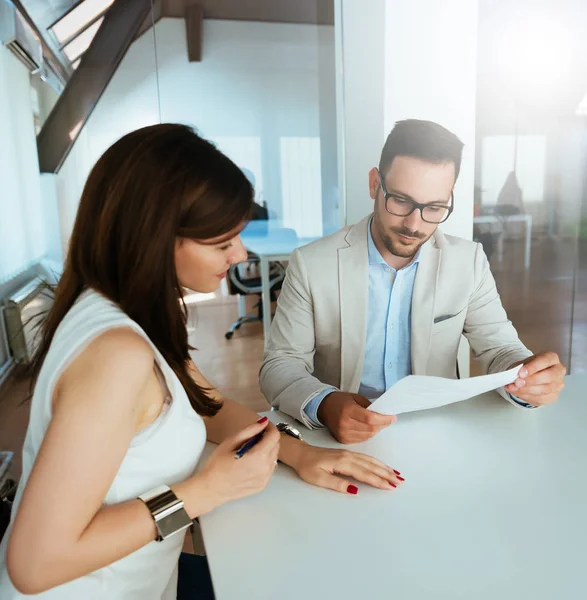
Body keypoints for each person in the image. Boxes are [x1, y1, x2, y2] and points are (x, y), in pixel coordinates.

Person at [0, 125, 404, 599]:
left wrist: (299, 453)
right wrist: (205, 491)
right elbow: (34, 563)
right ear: (157, 238)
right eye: (222, 242)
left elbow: (204, 402)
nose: (240, 253)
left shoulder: (122, 308)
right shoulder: (117, 357)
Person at [260, 119, 566, 444]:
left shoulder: (468, 261)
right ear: (374, 184)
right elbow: (280, 364)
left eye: (434, 207)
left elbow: (500, 348)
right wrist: (324, 404)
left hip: (438, 432)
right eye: (402, 201)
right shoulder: (312, 263)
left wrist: (527, 378)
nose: (414, 224)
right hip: (342, 438)